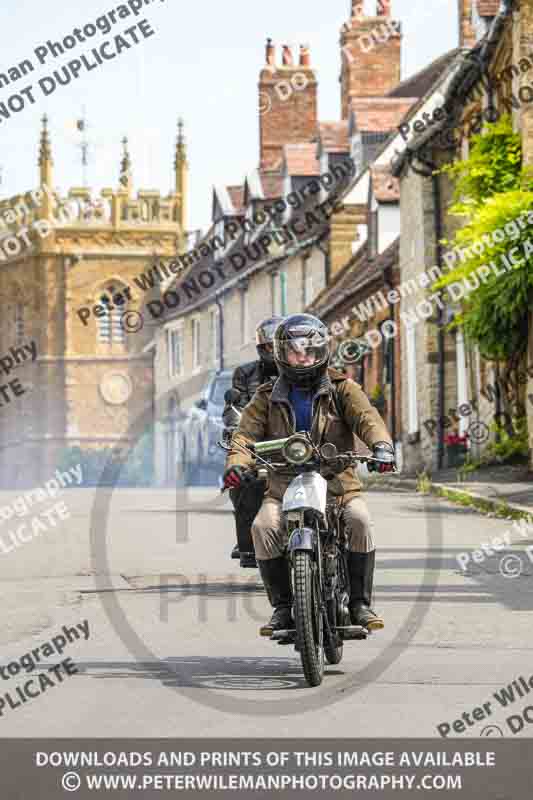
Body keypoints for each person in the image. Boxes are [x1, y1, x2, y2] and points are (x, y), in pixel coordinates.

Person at [223, 313, 395, 634]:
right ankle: (284, 608)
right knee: (262, 527)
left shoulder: (343, 388)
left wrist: (382, 446)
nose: (302, 358)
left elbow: (367, 418)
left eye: (309, 351)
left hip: (338, 485)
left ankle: (359, 603)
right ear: (281, 354)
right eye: (294, 351)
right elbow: (244, 436)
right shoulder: (266, 396)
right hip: (283, 483)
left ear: (321, 352)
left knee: (359, 520)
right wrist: (237, 464)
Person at [222, 316, 284, 568]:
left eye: (276, 346)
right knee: (241, 480)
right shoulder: (245, 374)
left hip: (296, 442)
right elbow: (234, 407)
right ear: (261, 348)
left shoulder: (302, 370)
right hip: (258, 443)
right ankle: (247, 541)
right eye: (267, 347)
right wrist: (234, 427)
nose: (272, 352)